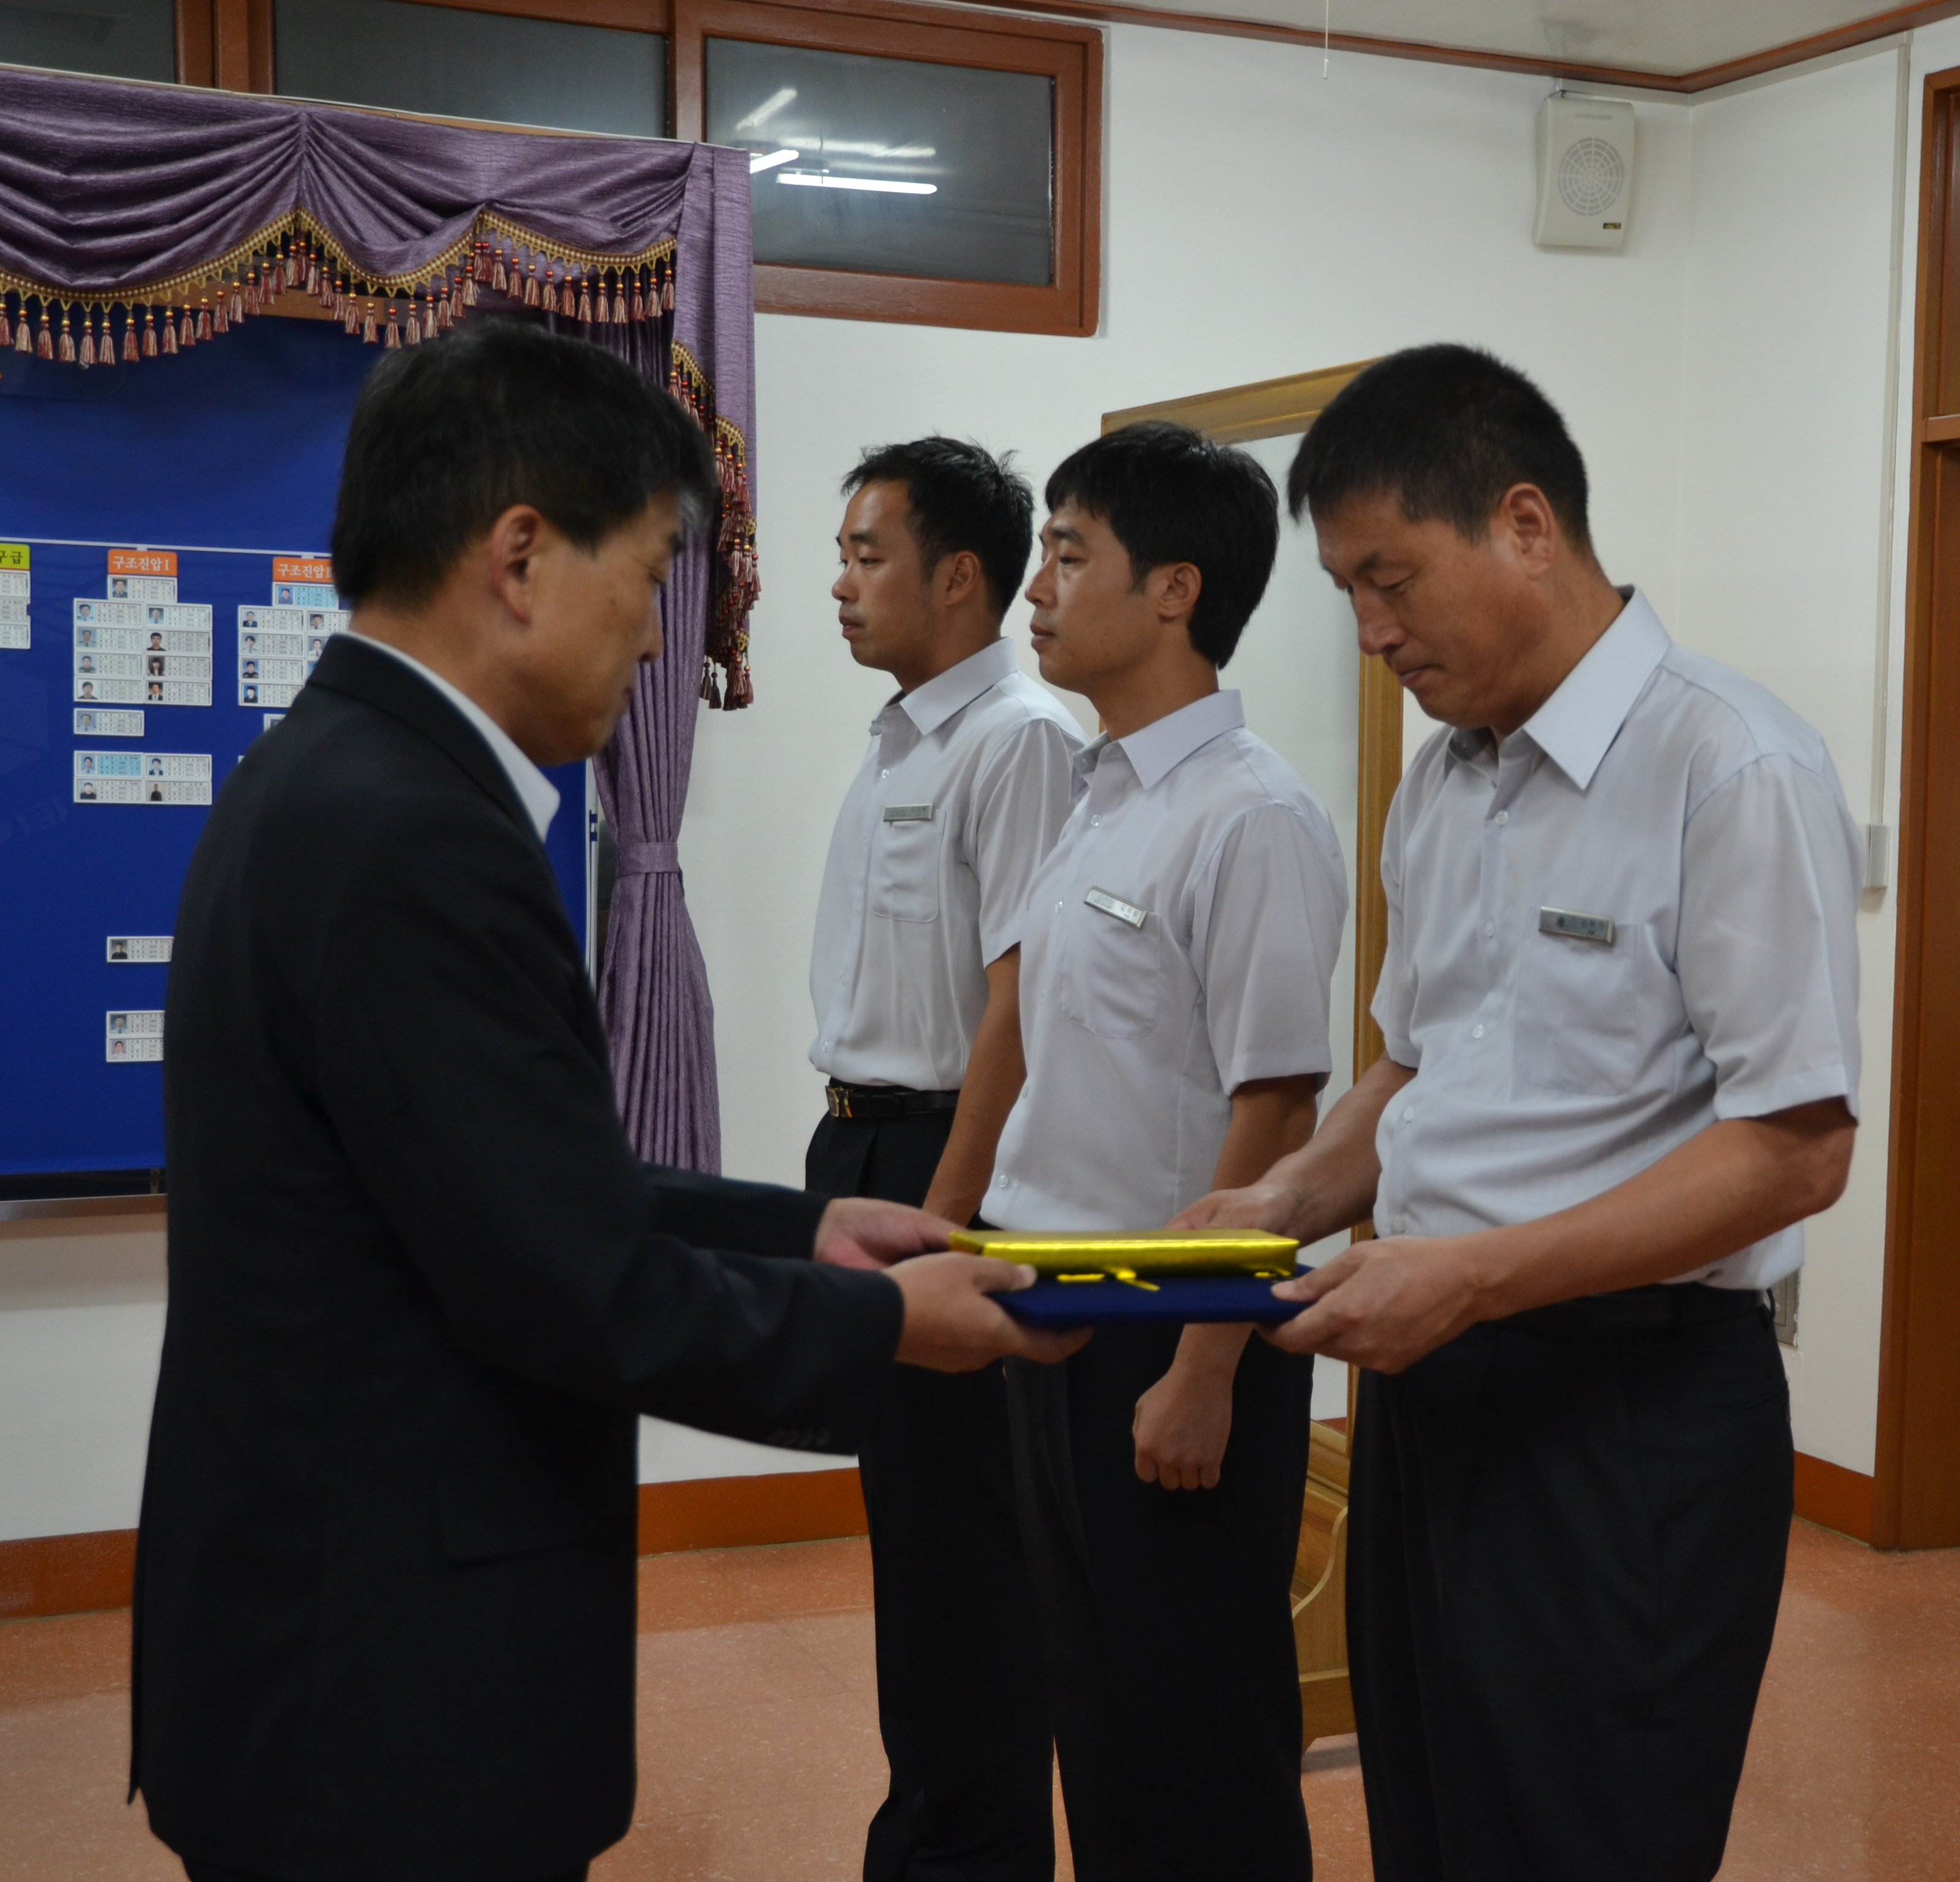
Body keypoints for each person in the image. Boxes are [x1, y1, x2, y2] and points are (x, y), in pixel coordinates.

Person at [132, 322, 1085, 1882]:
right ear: (521, 557)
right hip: (379, 1686)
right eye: (647, 580)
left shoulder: (331, 776)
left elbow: (510, 1184)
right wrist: (881, 1323)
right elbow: (574, 1280)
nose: (656, 643)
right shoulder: (416, 835)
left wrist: (806, 1233)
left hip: (328, 1637)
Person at [1176, 345, 1863, 1882]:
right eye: (1348, 593)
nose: (1373, 633)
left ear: (1527, 525)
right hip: (1434, 1384)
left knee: (1579, 1838)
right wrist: (1285, 1201)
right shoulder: (1445, 785)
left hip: (1625, 1408)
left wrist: (1473, 1278)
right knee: (1433, 1826)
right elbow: (1416, 1068)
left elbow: (1797, 1149)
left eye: (1391, 580)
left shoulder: (1728, 764)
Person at [991, 421, 1348, 1881]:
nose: (1038, 589)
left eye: (1070, 556)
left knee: (1199, 1732)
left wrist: (1205, 1368)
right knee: (1101, 1721)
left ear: (1175, 592)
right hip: (1057, 1307)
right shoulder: (1100, 799)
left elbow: (1279, 1111)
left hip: (1172, 1321)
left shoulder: (1252, 817)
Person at [804, 437, 1081, 1882]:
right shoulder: (904, 733)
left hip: (937, 1161)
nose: (840, 585)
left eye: (869, 556)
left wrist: (950, 1217)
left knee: (964, 1559)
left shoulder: (1017, 738)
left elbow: (1019, 1003)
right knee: (912, 1544)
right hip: (860, 1141)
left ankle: (967, 1850)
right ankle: (927, 1838)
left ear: (959, 576)